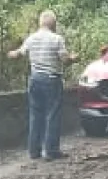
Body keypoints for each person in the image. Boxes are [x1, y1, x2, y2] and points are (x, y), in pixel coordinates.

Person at [8, 10, 78, 160]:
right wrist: (74, 58)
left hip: (35, 80)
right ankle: (51, 150)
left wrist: (11, 53)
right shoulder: (57, 39)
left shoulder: (31, 38)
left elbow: (19, 53)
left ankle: (34, 151)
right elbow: (65, 60)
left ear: (40, 23)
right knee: (52, 114)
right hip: (52, 79)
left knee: (35, 114)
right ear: (54, 24)